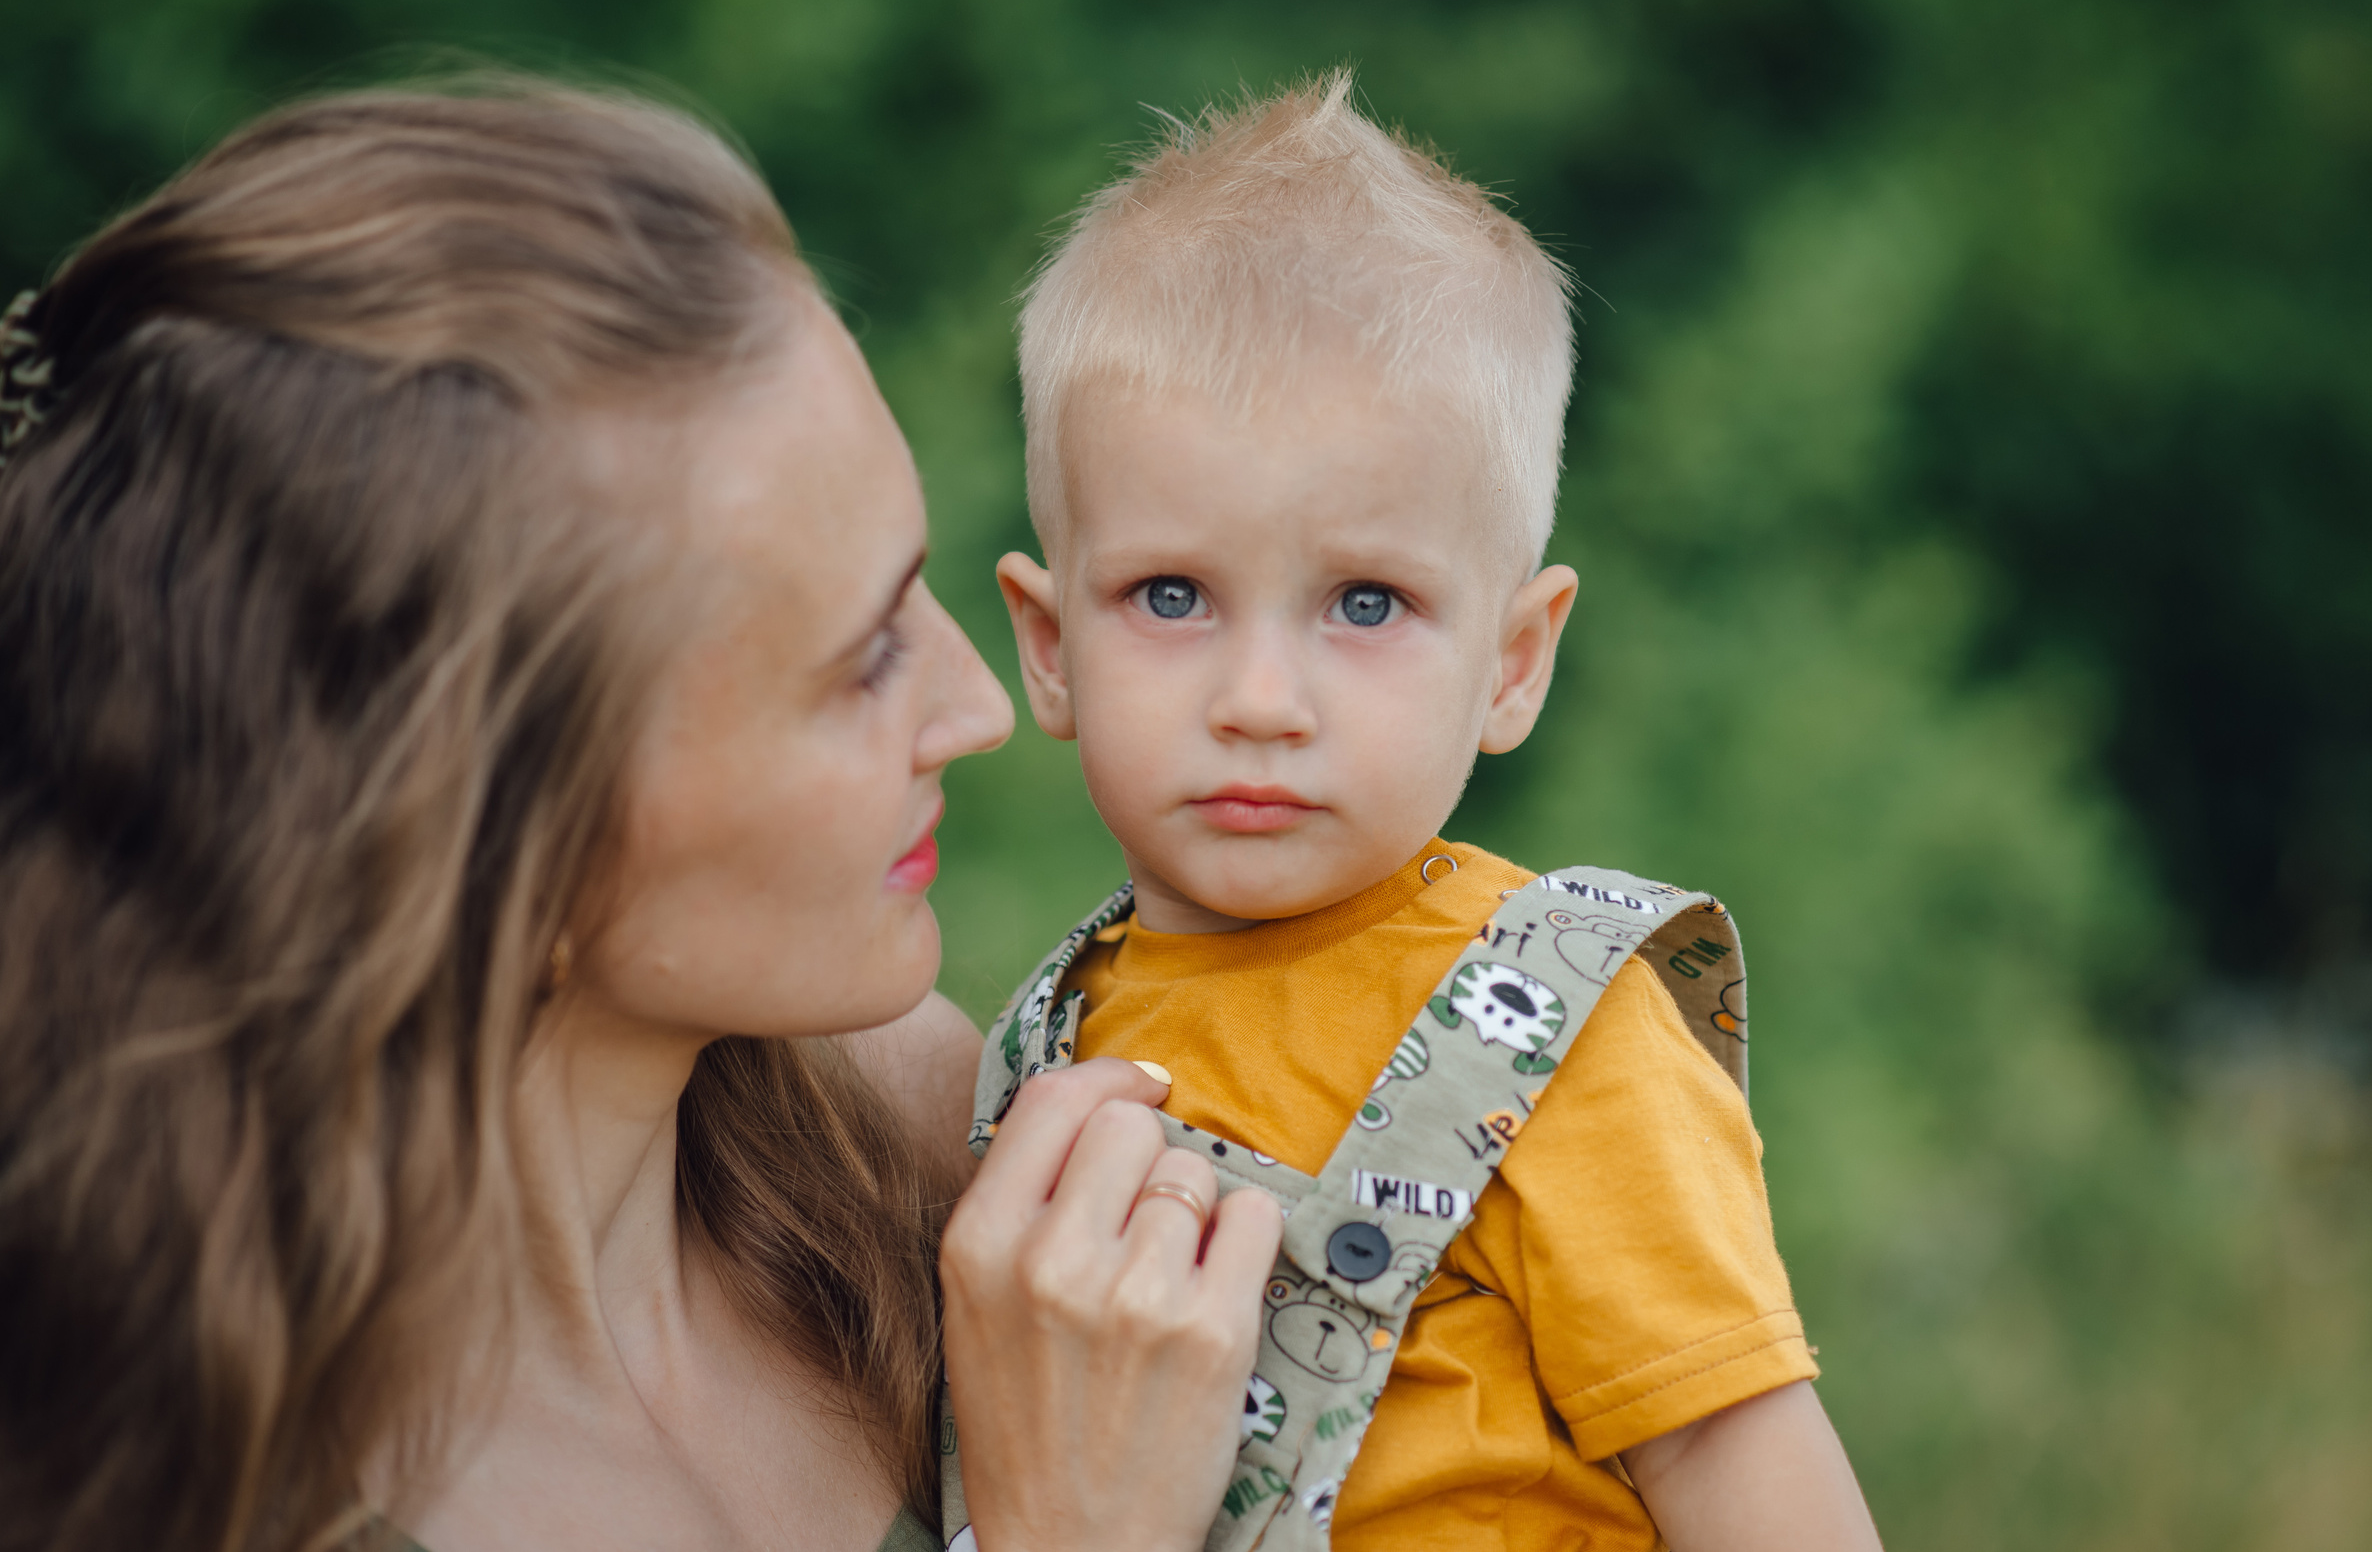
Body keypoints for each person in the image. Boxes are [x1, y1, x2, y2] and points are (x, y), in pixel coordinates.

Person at [0, 80, 1282, 1552]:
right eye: (860, 658)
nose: (978, 705)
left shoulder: (945, 1151)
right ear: (487, 842)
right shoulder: (164, 1491)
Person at [977, 74, 1884, 1550]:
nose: (1261, 695)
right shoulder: (1047, 1041)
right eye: (1170, 594)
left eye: (1366, 603)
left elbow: (1736, 1456)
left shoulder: (1552, 1026)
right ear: (1048, 643)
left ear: (1513, 662)